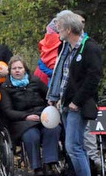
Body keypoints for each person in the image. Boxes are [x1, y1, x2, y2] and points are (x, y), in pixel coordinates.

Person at [47, 10, 103, 176]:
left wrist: (76, 102)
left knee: (73, 147)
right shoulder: (65, 48)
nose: (57, 31)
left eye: (60, 27)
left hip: (78, 105)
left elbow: (94, 78)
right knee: (76, 147)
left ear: (69, 29)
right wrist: (54, 97)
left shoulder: (90, 47)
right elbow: (61, 75)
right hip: (65, 103)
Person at [0, 56, 61, 175]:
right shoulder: (5, 87)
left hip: (42, 116)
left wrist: (51, 104)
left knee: (53, 129)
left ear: (25, 69)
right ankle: (37, 168)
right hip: (22, 121)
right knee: (32, 135)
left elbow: (49, 96)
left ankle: (49, 163)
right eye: (14, 68)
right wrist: (25, 116)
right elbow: (8, 111)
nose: (17, 70)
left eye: (20, 68)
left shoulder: (35, 81)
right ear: (10, 71)